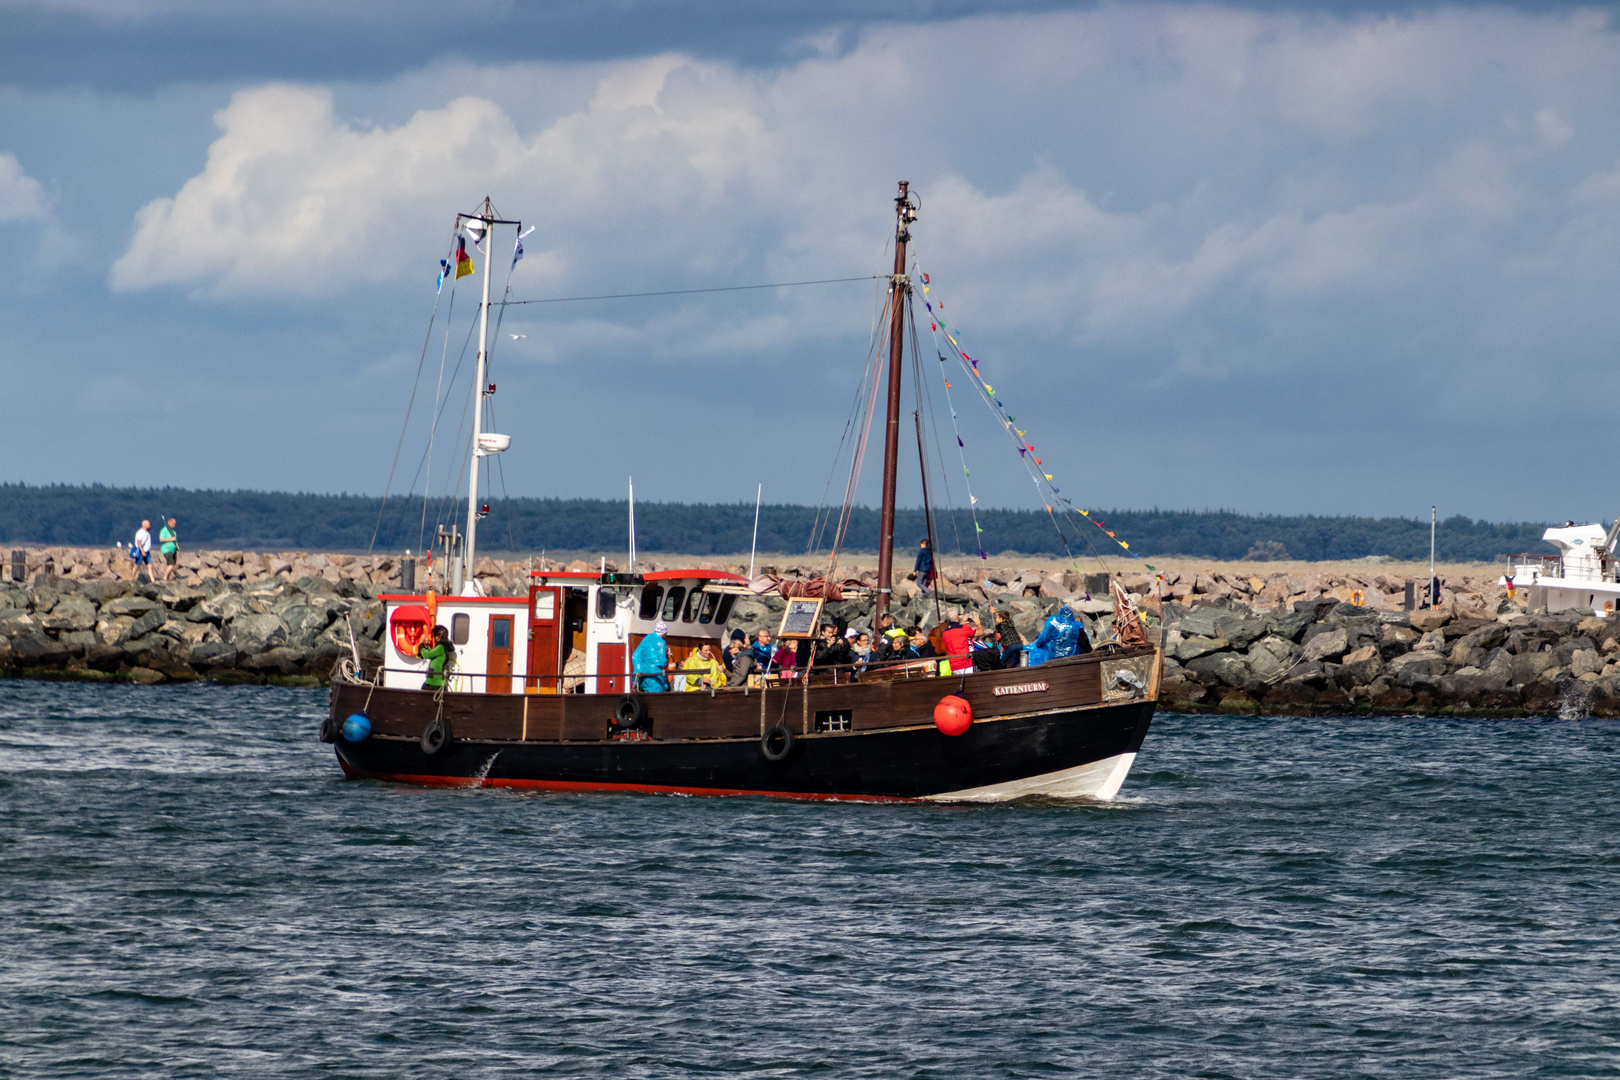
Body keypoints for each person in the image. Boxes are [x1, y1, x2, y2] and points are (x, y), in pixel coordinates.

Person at [632, 620, 672, 692]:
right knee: (656, 698)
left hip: (643, 674)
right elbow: (662, 662)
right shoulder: (662, 642)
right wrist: (667, 657)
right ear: (664, 632)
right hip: (656, 676)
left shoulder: (647, 637)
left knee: (646, 695)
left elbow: (636, 654)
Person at [418, 624, 453, 691]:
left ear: (439, 636)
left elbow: (426, 655)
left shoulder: (440, 647)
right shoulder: (443, 647)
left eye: (435, 636)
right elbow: (433, 654)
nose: (435, 638)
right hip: (439, 681)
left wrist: (421, 644)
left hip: (434, 681)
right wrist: (427, 647)